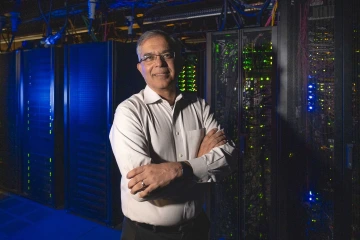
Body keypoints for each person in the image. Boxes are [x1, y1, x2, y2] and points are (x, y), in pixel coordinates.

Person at [109, 29, 237, 240]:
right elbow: (142, 189)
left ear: (178, 61)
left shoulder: (199, 106)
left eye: (166, 55)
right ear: (140, 68)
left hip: (197, 229)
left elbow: (228, 159)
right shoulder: (129, 112)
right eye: (148, 58)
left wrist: (178, 170)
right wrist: (200, 165)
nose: (159, 63)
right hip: (147, 234)